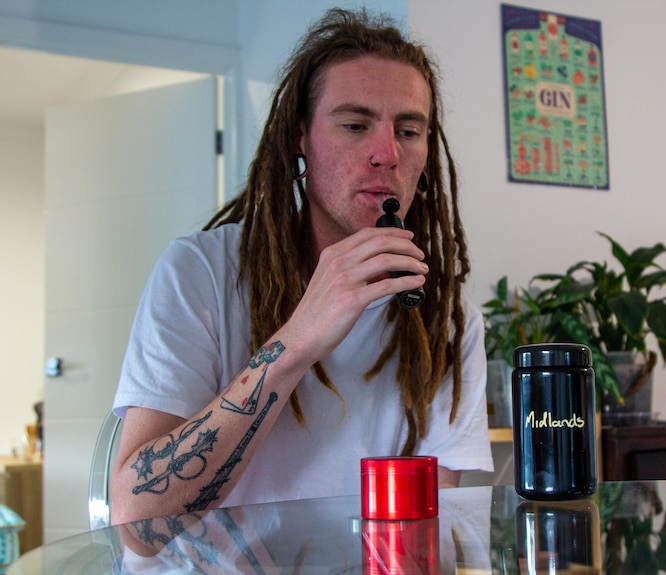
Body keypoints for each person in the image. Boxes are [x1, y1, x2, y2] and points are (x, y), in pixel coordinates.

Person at [109, 7, 493, 524]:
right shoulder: (198, 274)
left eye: (408, 130)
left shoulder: (447, 319)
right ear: (300, 139)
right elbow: (135, 521)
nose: (387, 153)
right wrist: (299, 338)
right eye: (355, 125)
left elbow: (437, 525)